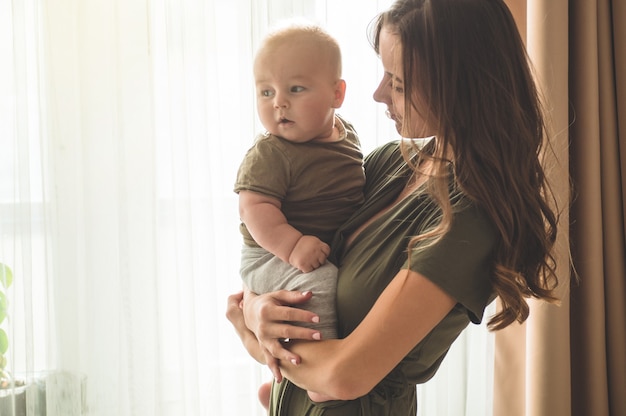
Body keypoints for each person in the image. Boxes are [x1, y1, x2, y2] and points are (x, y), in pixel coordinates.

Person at [227, 0, 561, 414]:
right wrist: (258, 310)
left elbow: (345, 375)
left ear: (458, 86)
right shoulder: (389, 163)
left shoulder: (468, 218)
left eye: (398, 83)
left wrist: (259, 341)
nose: (378, 93)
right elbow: (283, 267)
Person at [233, 23, 365, 409]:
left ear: (337, 94)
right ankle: (314, 374)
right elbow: (253, 209)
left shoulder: (347, 136)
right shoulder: (271, 153)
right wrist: (292, 246)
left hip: (307, 246)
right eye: (266, 92)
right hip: (269, 253)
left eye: (295, 89)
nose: (279, 103)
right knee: (319, 283)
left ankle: (274, 389)